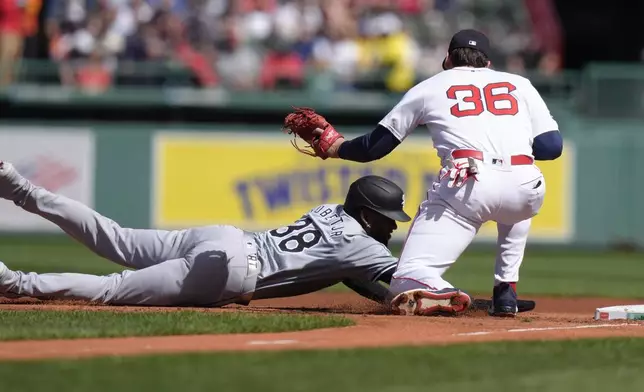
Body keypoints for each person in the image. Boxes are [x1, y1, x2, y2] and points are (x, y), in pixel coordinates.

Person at [284, 29, 563, 317]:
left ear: (448, 59)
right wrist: (507, 155)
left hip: (468, 183)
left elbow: (374, 148)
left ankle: (439, 289)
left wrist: (336, 147)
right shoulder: (520, 84)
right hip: (527, 186)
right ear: (488, 63)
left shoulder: (430, 87)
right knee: (518, 193)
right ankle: (506, 291)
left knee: (405, 279)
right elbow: (552, 147)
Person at [0, 161, 410, 307]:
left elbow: (350, 274)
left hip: (224, 238)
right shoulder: (361, 245)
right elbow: (411, 281)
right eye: (388, 216)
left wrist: (385, 297)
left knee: (115, 236)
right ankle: (13, 283)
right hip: (231, 271)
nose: (394, 223)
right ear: (367, 214)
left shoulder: (330, 211)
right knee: (112, 289)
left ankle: (21, 188)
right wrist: (468, 302)